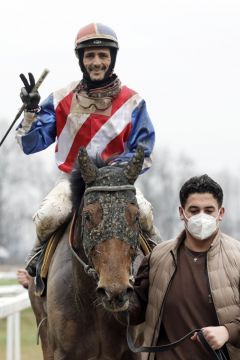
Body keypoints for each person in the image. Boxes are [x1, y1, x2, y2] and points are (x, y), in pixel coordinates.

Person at [15, 23, 159, 276]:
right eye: (90, 55)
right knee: (50, 214)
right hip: (72, 182)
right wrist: (30, 112)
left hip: (117, 183)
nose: (96, 62)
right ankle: (37, 262)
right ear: (81, 60)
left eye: (103, 55)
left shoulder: (133, 102)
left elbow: (143, 151)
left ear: (112, 59)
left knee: (145, 213)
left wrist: (114, 173)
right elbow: (31, 144)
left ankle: (161, 260)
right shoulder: (61, 98)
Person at [125, 174, 240, 360]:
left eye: (209, 210)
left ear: (221, 213)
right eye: (194, 210)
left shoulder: (237, 258)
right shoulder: (157, 257)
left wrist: (228, 332)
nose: (201, 216)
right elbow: (134, 313)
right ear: (181, 212)